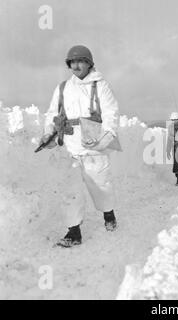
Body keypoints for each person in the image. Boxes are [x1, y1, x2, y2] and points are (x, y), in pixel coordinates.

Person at [39, 45, 121, 248]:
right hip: (69, 147)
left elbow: (111, 112)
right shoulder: (63, 87)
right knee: (70, 190)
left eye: (80, 61)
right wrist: (48, 132)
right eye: (72, 62)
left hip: (94, 144)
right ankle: (73, 231)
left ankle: (108, 213)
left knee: (100, 184)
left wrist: (108, 134)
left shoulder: (100, 85)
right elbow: (52, 113)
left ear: (89, 63)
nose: (76, 65)